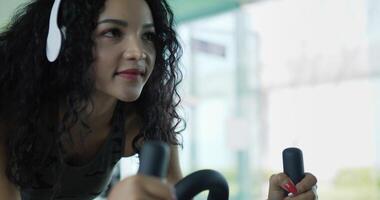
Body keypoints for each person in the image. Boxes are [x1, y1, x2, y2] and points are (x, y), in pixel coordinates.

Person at [0, 0, 317, 199]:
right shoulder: (10, 113)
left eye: (148, 36)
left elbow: (177, 194)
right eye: (113, 32)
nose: (139, 52)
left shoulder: (142, 119)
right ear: (65, 41)